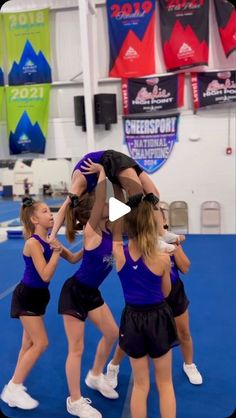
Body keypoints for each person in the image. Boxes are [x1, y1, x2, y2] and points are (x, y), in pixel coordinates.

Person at [0, 197, 83, 410]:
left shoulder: (50, 240)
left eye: (50, 211)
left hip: (39, 297)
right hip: (26, 296)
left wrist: (91, 247)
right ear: (34, 219)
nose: (50, 214)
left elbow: (73, 258)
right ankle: (14, 387)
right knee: (41, 343)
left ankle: (14, 386)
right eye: (45, 211)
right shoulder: (33, 243)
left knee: (27, 344)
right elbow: (45, 274)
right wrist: (56, 253)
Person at [106, 209, 202, 388]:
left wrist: (173, 245)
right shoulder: (143, 244)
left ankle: (189, 364)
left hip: (173, 293)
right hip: (150, 297)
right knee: (127, 338)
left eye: (159, 218)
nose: (155, 221)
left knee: (184, 333)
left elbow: (186, 267)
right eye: (152, 218)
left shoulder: (169, 243)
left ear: (163, 222)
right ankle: (113, 366)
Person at [58, 160, 120, 418]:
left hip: (91, 292)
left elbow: (74, 259)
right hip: (75, 293)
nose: (107, 205)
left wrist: (59, 249)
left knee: (112, 333)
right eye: (102, 204)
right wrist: (103, 172)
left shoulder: (108, 230)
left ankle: (95, 375)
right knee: (76, 348)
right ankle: (74, 401)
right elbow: (104, 198)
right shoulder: (92, 231)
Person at [112, 192, 178, 418]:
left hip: (132, 319)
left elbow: (116, 228)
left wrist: (112, 185)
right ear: (151, 224)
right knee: (165, 383)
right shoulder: (162, 258)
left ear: (127, 226)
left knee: (140, 385)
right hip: (157, 318)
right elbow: (167, 292)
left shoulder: (118, 254)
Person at [49, 149, 180, 251]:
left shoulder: (78, 186)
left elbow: (63, 210)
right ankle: (153, 237)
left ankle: (160, 233)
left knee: (146, 195)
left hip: (111, 160)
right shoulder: (85, 191)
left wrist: (52, 235)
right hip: (112, 164)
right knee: (146, 195)